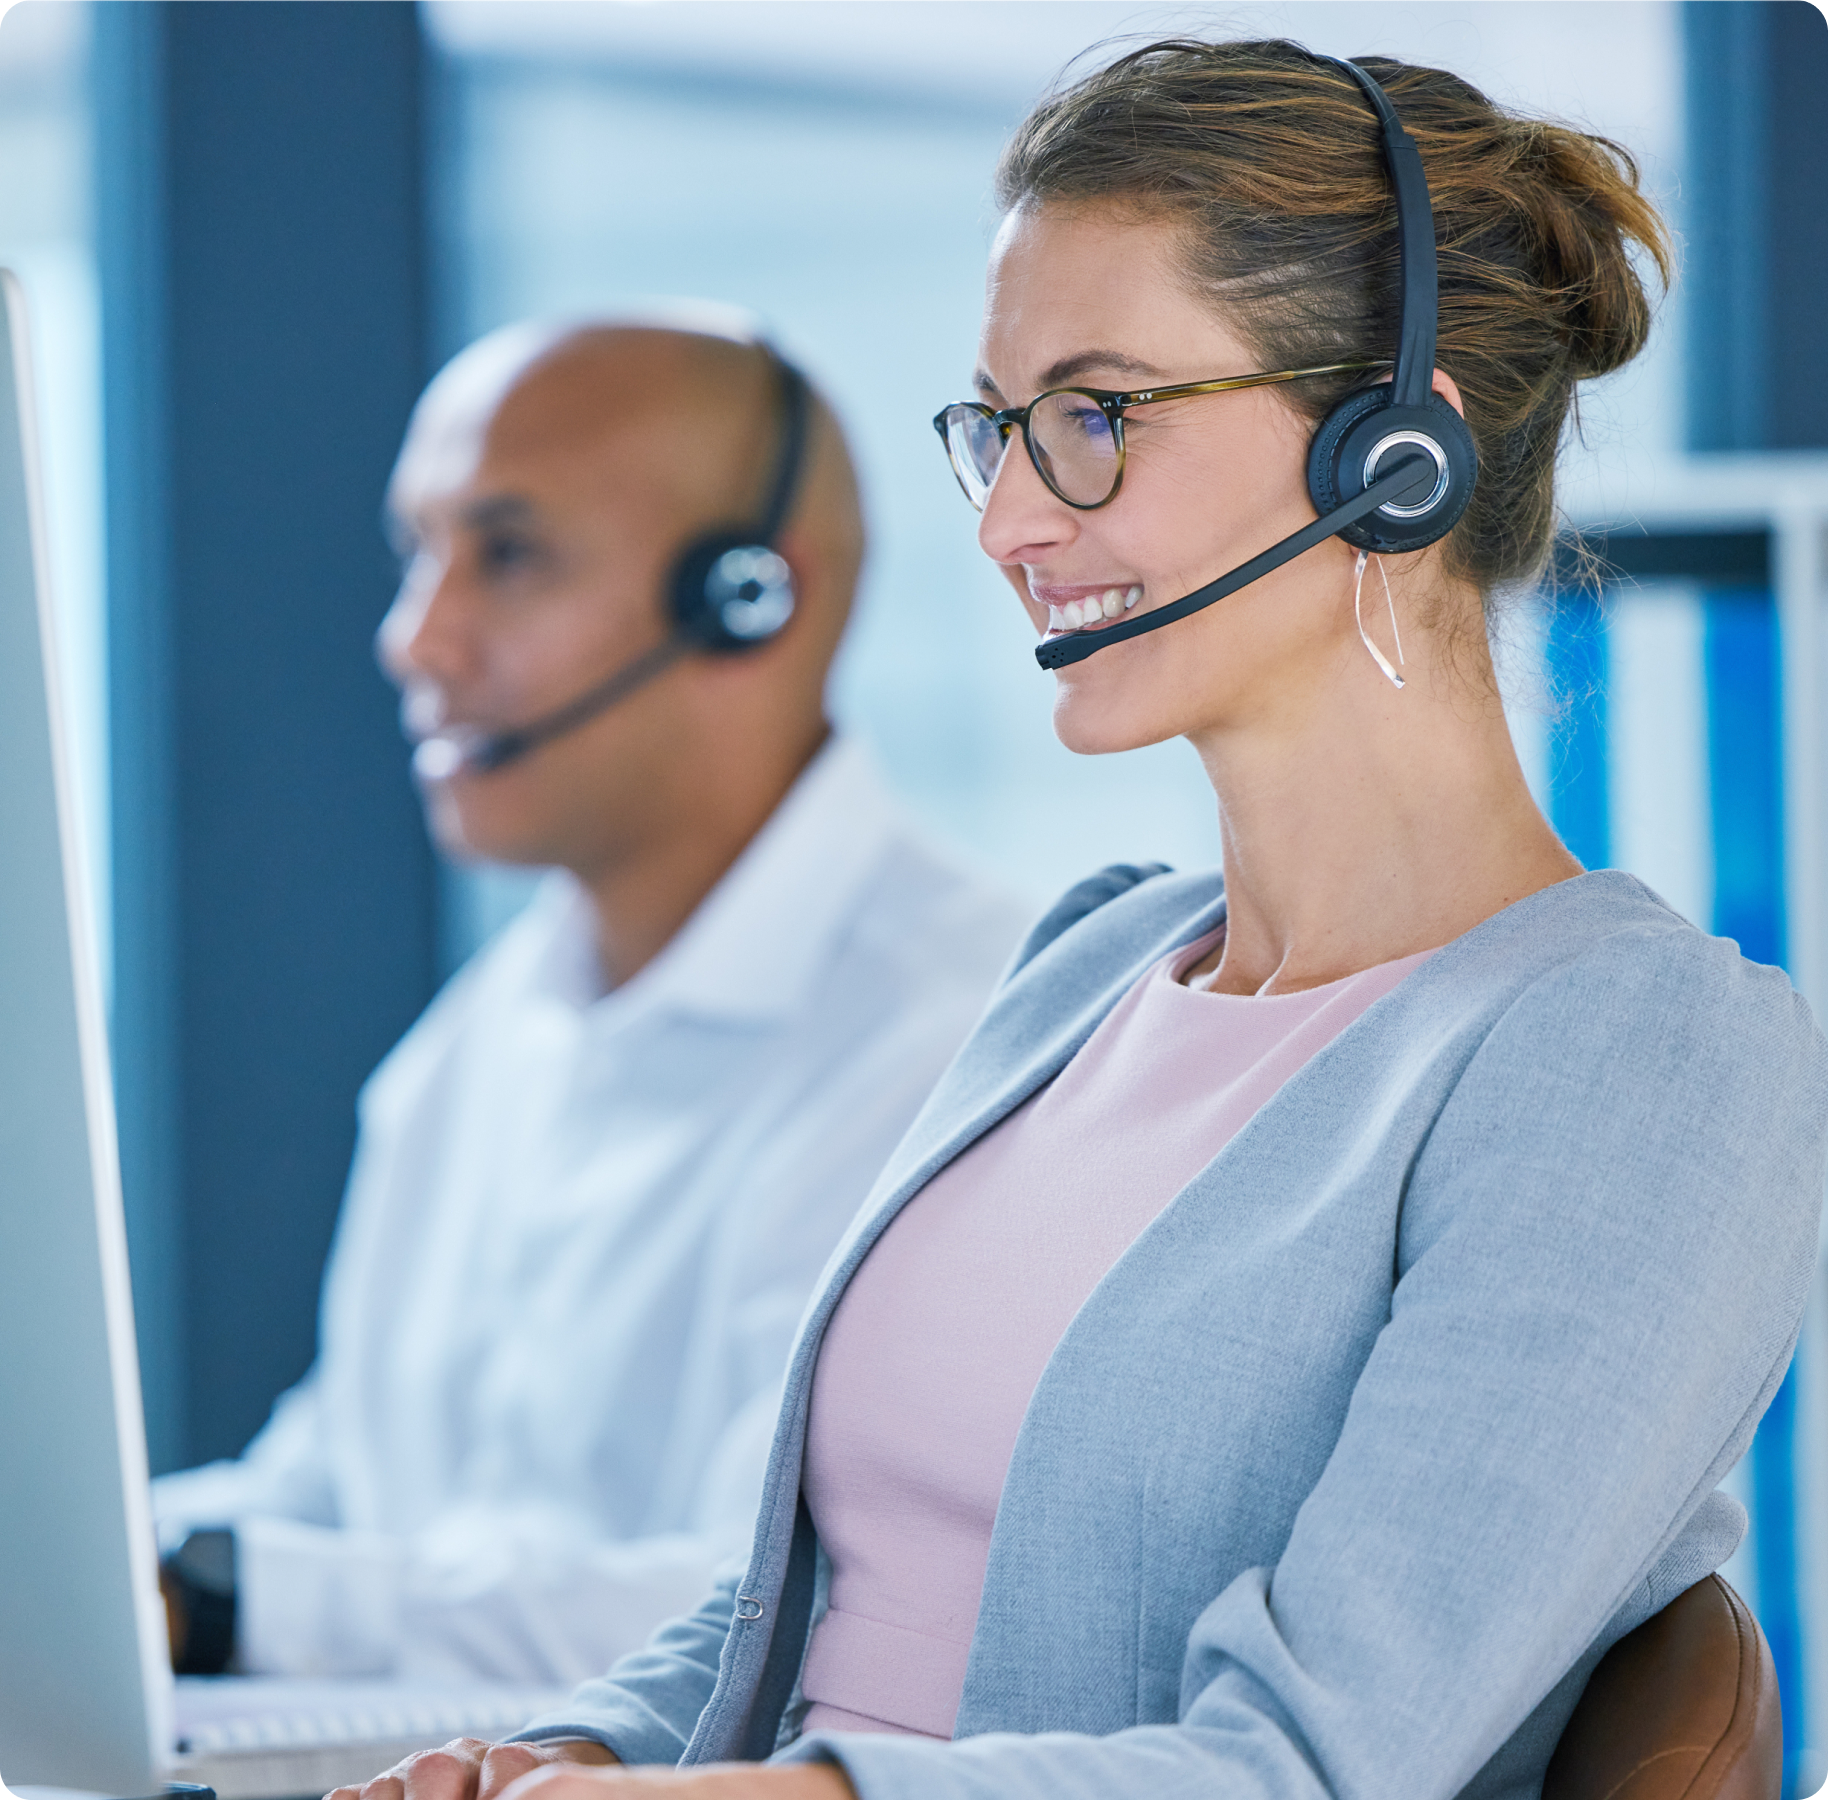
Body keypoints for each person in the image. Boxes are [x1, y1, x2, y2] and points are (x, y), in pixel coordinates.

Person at [329, 39, 1828, 1800]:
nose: (1013, 522)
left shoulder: (1637, 1055)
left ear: (1394, 451)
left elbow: (1308, 1769)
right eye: (1000, 428)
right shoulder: (1092, 962)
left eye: (1096, 417)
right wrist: (567, 1756)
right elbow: (812, 1595)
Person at [151, 314, 1031, 1688]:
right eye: (417, 554)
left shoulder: (962, 1044)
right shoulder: (474, 1046)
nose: (413, 641)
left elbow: (776, 1609)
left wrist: (220, 1602)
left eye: (506, 555)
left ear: (752, 598)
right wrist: (114, 1561)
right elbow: (330, 1495)